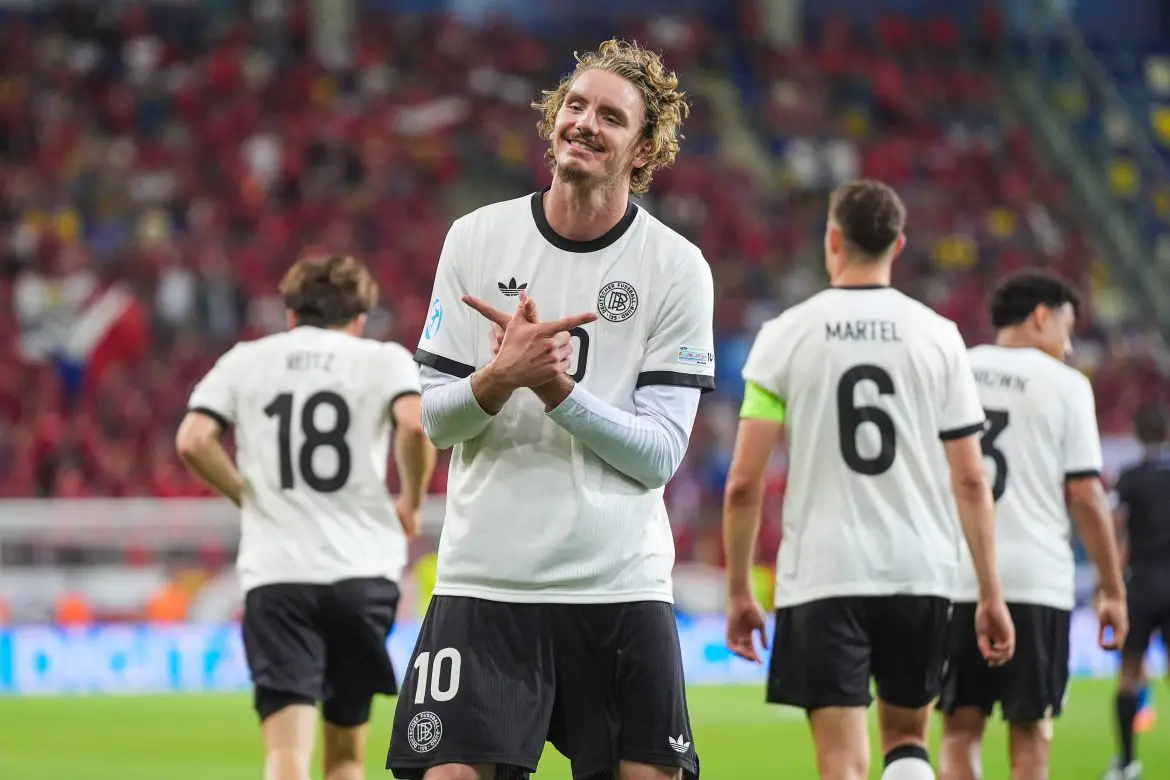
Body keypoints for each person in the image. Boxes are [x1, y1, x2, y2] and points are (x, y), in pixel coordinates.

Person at [386, 39, 713, 780]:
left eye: (610, 116)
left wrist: (556, 391)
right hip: (487, 580)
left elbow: (660, 454)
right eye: (574, 106)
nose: (584, 124)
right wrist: (498, 379)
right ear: (552, 121)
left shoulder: (675, 268)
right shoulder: (476, 237)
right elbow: (432, 420)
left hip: (618, 583)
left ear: (643, 149)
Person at [722, 178, 1016, 780]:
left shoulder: (787, 335)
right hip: (921, 570)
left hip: (825, 574)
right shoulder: (940, 337)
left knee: (842, 763)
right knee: (908, 742)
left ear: (832, 239)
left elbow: (744, 483)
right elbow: (969, 480)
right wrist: (989, 592)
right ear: (898, 244)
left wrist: (738, 591)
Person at [176, 254, 436, 780]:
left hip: (279, 575)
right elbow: (413, 427)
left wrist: (245, 495)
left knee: (285, 757)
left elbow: (193, 440)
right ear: (359, 318)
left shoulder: (247, 359)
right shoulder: (382, 359)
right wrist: (410, 500)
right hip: (362, 573)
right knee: (345, 757)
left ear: (290, 313)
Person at [935, 268, 1128, 780]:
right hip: (1036, 580)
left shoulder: (956, 368)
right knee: (1031, 738)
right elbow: (1086, 496)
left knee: (958, 733)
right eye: (1067, 329)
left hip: (957, 578)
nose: (1067, 347)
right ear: (1042, 316)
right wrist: (1111, 589)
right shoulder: (1067, 385)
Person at [1103, 403, 1170, 780]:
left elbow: (1116, 533)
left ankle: (1127, 763)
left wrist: (1107, 584)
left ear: (1135, 432)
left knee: (1129, 674)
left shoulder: (1129, 478)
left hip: (1141, 584)